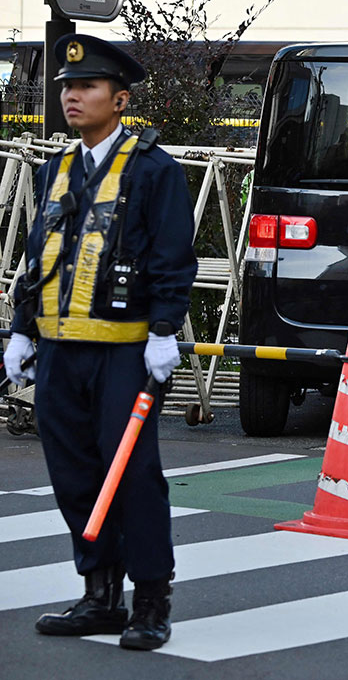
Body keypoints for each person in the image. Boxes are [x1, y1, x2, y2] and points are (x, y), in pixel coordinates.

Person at [3, 35, 197, 650]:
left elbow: (172, 257)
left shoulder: (152, 169)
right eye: (66, 87)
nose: (72, 96)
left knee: (133, 475)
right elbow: (40, 259)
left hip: (126, 352)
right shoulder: (55, 169)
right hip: (61, 351)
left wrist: (166, 331)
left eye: (85, 87)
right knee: (75, 475)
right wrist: (22, 330)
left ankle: (151, 599)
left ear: (120, 98)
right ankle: (99, 594)